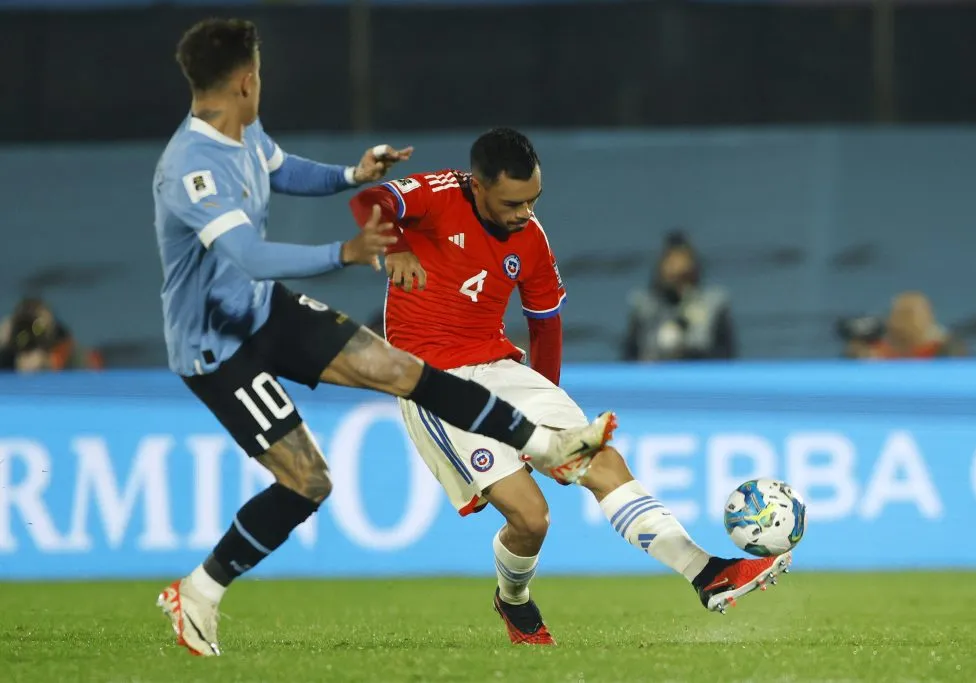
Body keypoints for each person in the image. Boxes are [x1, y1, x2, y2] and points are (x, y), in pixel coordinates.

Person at [153, 19, 616, 657]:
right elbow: (247, 255)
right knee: (308, 482)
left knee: (404, 370)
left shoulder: (243, 132)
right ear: (246, 80)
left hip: (265, 310)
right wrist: (344, 252)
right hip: (216, 344)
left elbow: (285, 170)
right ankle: (199, 591)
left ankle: (543, 442)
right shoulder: (190, 167)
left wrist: (351, 173)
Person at [349, 128, 792, 646]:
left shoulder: (530, 237)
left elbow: (545, 323)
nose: (525, 213)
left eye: (533, 200)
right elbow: (369, 199)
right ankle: (513, 600)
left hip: (502, 369)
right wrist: (397, 245)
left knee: (601, 461)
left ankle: (706, 572)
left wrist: (546, 426)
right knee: (531, 519)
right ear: (478, 186)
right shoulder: (439, 194)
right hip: (433, 381)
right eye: (513, 203)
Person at [622, 232, 736, 361]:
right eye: (671, 262)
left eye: (684, 261)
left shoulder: (714, 305)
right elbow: (630, 356)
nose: (677, 268)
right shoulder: (644, 307)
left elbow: (726, 355)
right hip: (656, 372)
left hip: (699, 370)